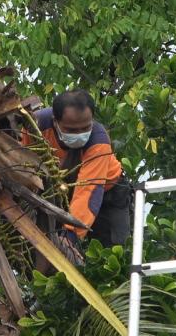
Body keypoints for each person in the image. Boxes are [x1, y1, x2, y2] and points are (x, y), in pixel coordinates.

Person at [22, 90, 131, 248]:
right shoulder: (37, 126)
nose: (80, 135)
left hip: (108, 195)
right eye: (72, 130)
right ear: (55, 121)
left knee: (116, 249)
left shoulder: (99, 142)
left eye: (85, 128)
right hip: (63, 192)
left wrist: (71, 235)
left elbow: (88, 191)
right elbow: (25, 159)